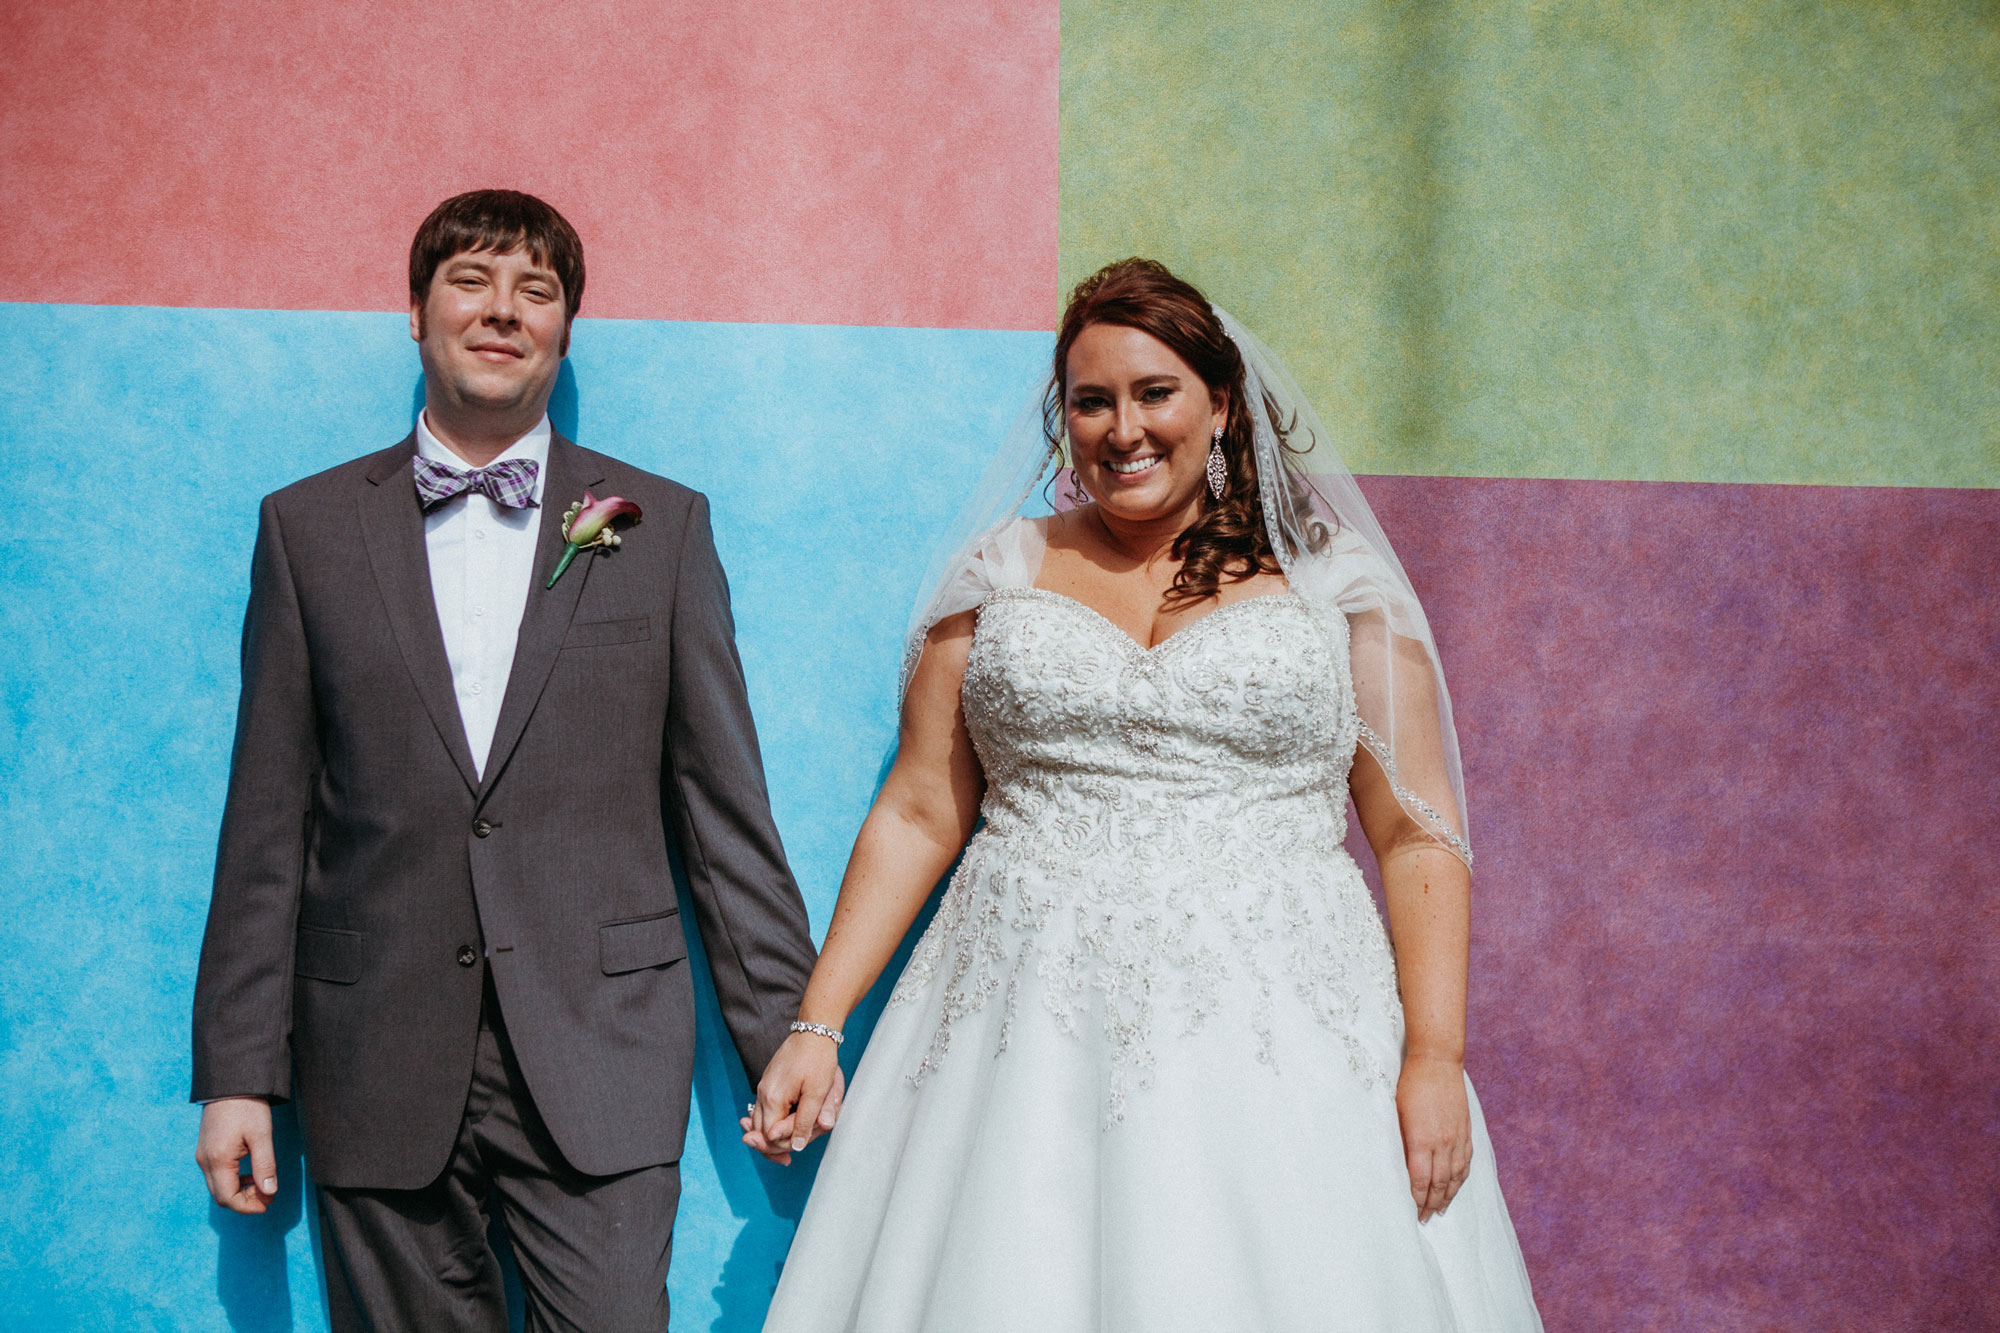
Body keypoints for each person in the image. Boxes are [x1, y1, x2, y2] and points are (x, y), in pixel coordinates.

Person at [748, 258, 1542, 1330]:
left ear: (1218, 404)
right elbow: (920, 808)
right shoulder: (999, 574)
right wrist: (818, 1022)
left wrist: (1433, 1056)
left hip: (1281, 1036)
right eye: (1090, 401)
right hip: (1018, 1033)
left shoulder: (1329, 588)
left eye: (1152, 392)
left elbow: (1415, 834)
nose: (1121, 428)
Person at [190, 189, 820, 1331]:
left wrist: (789, 1032)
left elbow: (724, 815)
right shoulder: (307, 528)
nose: (502, 310)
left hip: (603, 1053)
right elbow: (266, 822)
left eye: (536, 290)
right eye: (471, 282)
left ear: (564, 331)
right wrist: (239, 1072)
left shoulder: (657, 526)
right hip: (375, 1053)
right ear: (417, 314)